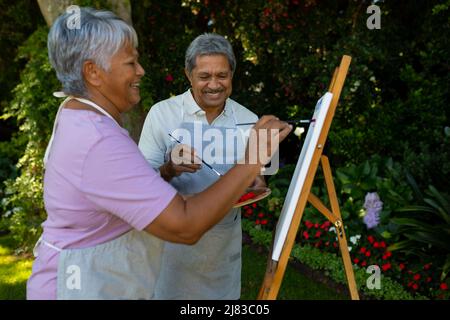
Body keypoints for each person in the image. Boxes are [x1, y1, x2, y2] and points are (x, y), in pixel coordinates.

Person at [26, 8, 291, 300]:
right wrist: (252, 160)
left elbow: (135, 194)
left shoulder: (80, 117)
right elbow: (185, 225)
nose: (140, 70)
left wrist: (254, 174)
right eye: (130, 62)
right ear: (93, 72)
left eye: (222, 75)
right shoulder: (98, 139)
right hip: (78, 288)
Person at [138, 33, 266, 300]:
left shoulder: (248, 120)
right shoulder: (162, 114)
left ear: (232, 74)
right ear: (188, 74)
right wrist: (169, 169)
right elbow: (140, 186)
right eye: (204, 76)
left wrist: (256, 181)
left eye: (222, 75)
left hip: (223, 248)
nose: (214, 85)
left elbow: (258, 179)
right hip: (170, 248)